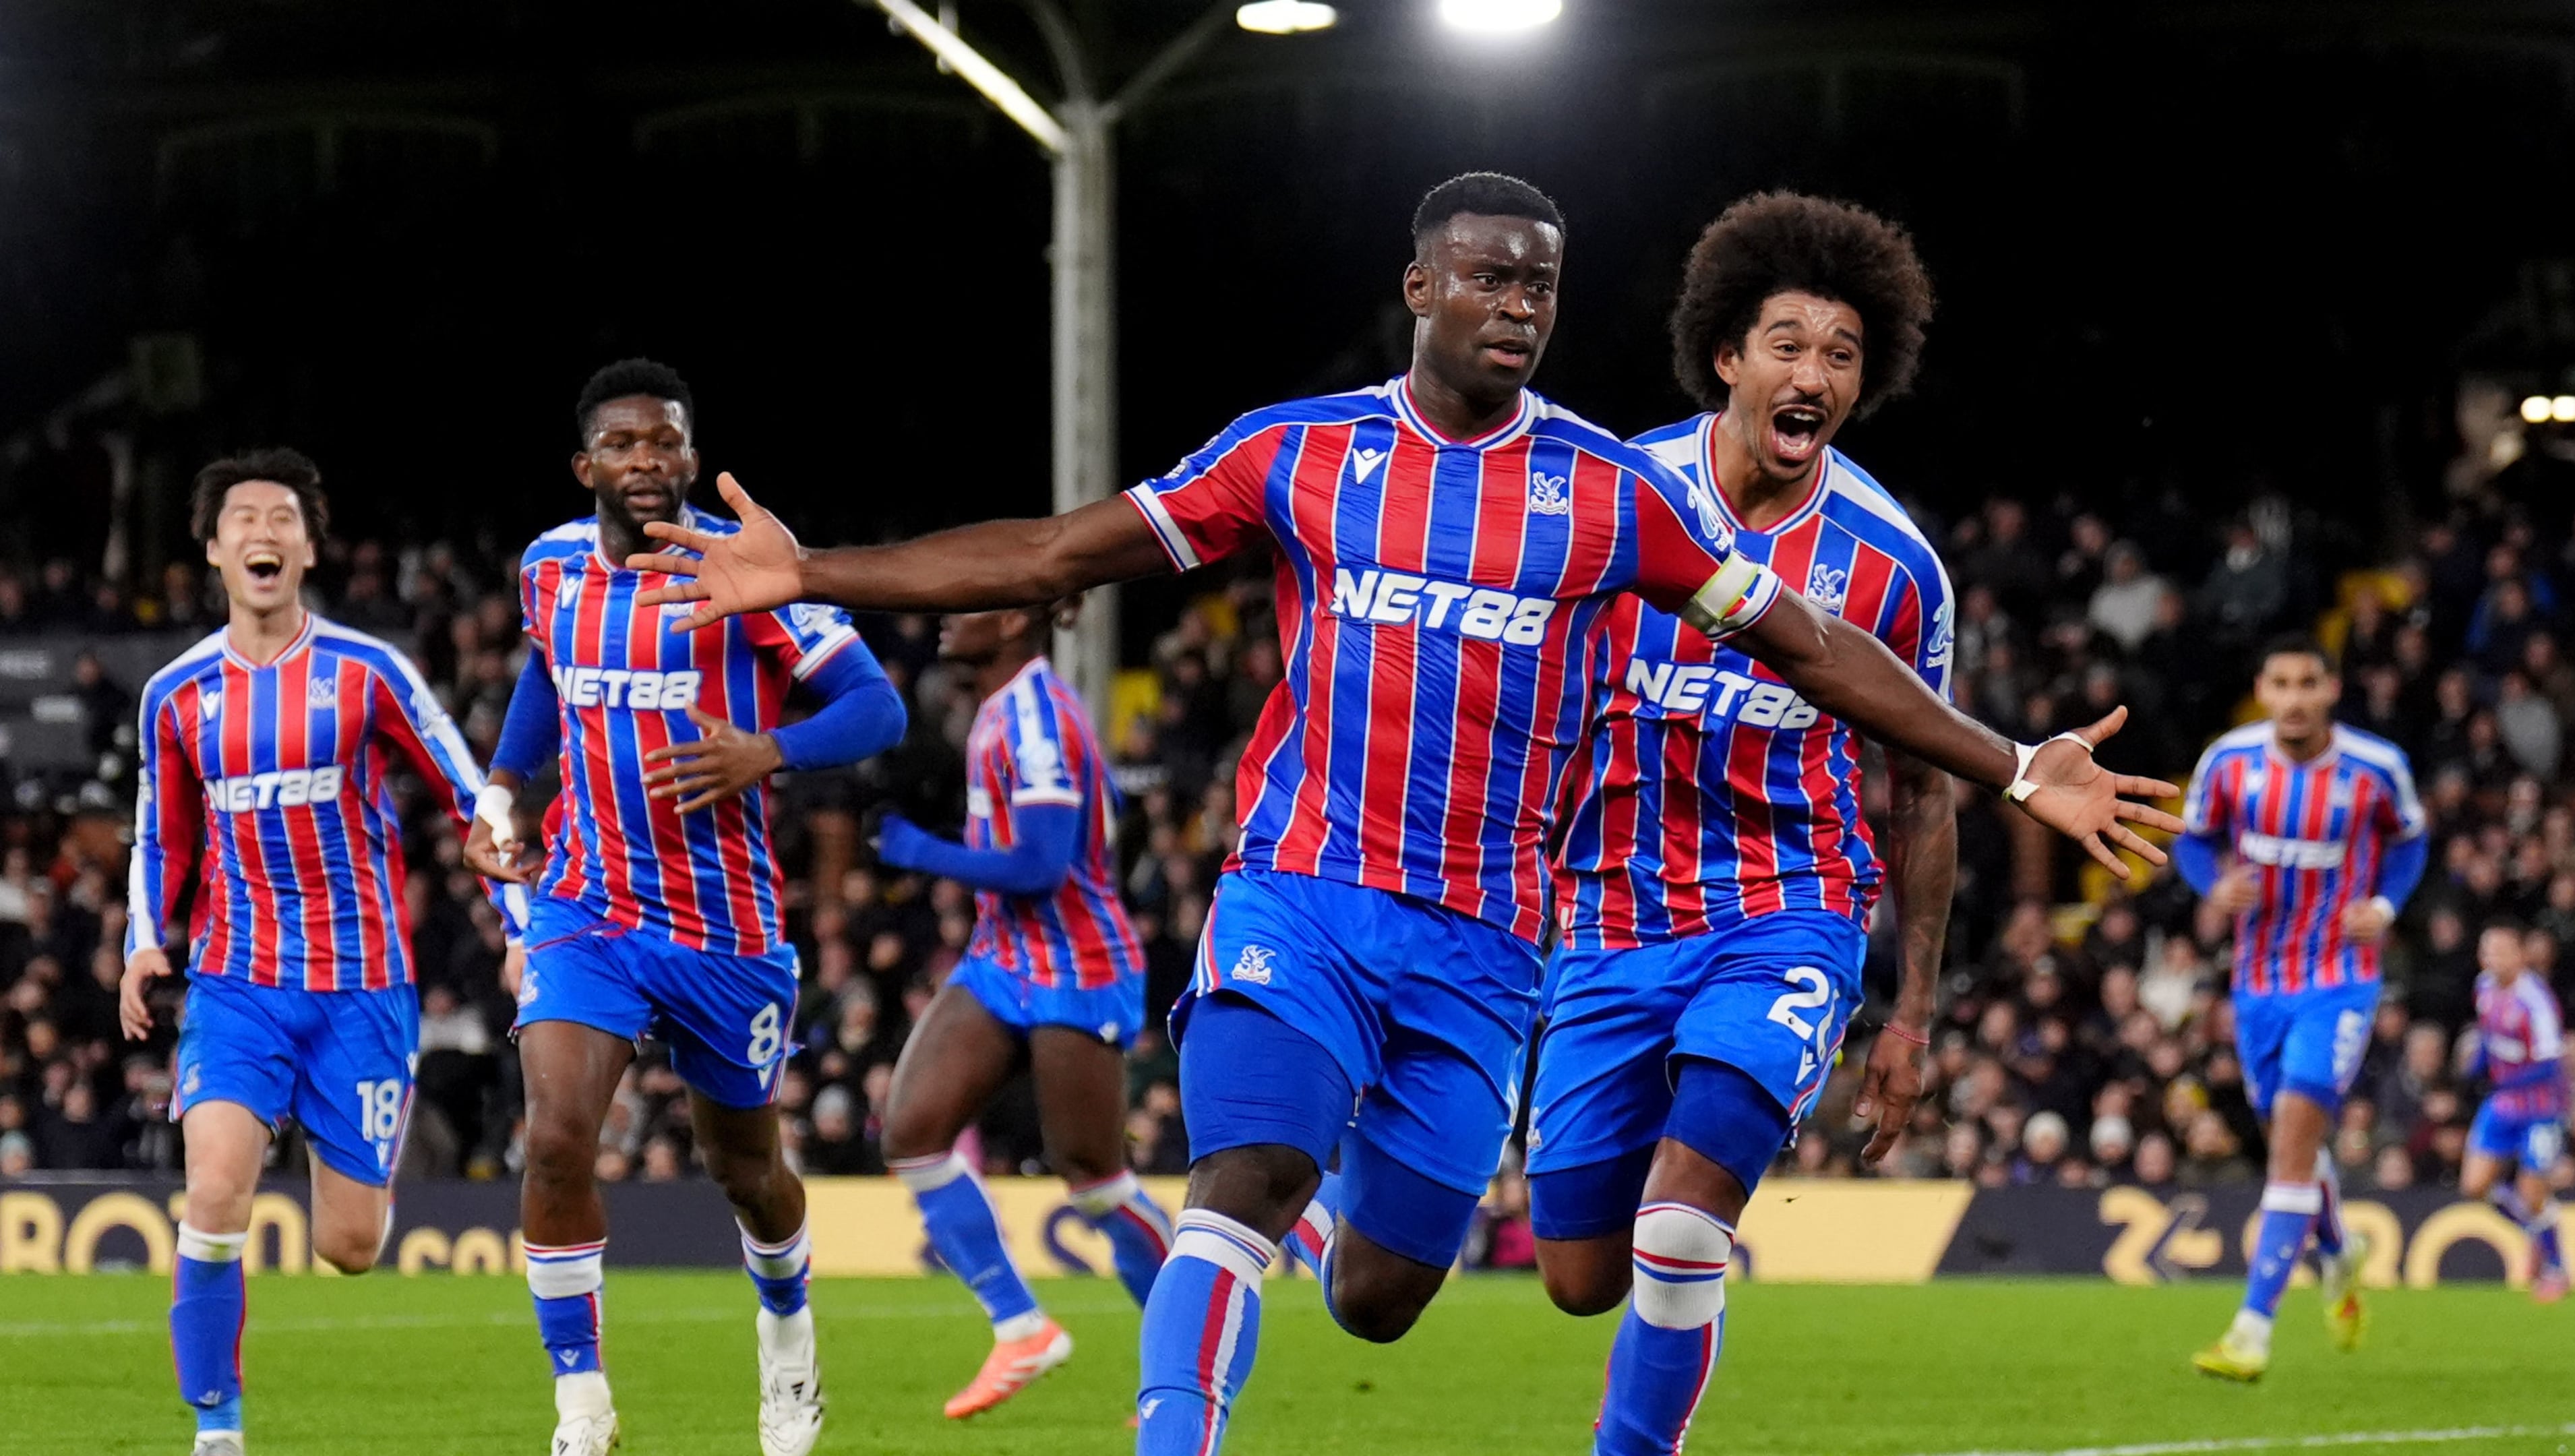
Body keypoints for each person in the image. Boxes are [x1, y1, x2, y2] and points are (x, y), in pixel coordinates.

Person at [626, 173, 2178, 1455]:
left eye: (1540, 287)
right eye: (1487, 277)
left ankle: (1378, 1203)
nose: (1515, 305)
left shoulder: (1605, 493)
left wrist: (2003, 759)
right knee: (1240, 1179)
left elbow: (1813, 650)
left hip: (1489, 946)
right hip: (1300, 890)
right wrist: (815, 570)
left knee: (1378, 1291)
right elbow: (1051, 554)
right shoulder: (1297, 453)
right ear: (1419, 284)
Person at [1524, 191, 1958, 1454]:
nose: (1813, 373)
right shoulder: (1613, 499)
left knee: (1679, 1226)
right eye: (1787, 344)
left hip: (1788, 914)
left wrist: (1912, 1015)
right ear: (1726, 354)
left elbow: (1923, 792)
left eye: (1841, 353)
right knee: (1579, 1273)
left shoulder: (1893, 563)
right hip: (1608, 924)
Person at [465, 359, 907, 1456]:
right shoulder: (551, 570)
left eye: (665, 442)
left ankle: (790, 1338)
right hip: (587, 904)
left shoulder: (747, 567)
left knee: (745, 1173)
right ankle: (582, 1408)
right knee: (560, 1142)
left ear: (692, 460)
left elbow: (878, 705)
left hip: (726, 930)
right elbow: (543, 674)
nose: (647, 460)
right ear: (588, 467)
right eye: (623, 444)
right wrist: (501, 791)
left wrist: (772, 749)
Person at [121, 448, 494, 1456]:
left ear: (312, 548)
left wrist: (522, 914)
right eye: (243, 519)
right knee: (211, 1192)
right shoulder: (176, 694)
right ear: (213, 549)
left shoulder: (371, 674)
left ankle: (353, 1153)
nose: (264, 534)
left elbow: (471, 796)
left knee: (350, 1249)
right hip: (237, 984)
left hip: (362, 990)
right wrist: (143, 944)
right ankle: (219, 1432)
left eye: (284, 519)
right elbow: (165, 833)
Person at [870, 598, 1176, 1416]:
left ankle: (1190, 1339)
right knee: (911, 1130)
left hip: (1078, 965)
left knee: (1095, 1179)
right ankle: (1020, 1327)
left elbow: (1042, 864)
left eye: (971, 601)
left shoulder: (1038, 719)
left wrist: (920, 852)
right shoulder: (998, 708)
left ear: (1012, 623)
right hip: (1004, 958)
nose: (943, 614)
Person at [2177, 634, 2428, 1381]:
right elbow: (2194, 842)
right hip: (2257, 986)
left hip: (2341, 979)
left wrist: (2384, 904)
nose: (2292, 698)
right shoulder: (2229, 762)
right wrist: (2213, 886)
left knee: (2292, 1138)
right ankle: (2339, 1251)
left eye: (2306, 684)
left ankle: (2251, 1331)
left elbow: (2410, 844)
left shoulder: (2377, 769)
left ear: (2331, 690)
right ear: (2263, 688)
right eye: (2280, 684)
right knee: (2295, 1146)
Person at [2459, 919, 2570, 1302]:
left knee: (2533, 1191)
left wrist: (2507, 1076)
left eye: (2501, 951)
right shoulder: (2483, 988)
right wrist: (2475, 1066)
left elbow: (2551, 1062)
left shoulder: (2536, 1000)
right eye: (2487, 950)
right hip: (2503, 1103)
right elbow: (2491, 1040)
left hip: (2540, 1106)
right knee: (2473, 1185)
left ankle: (2556, 1269)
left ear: (2520, 955)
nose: (2493, 958)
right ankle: (2534, 1232)